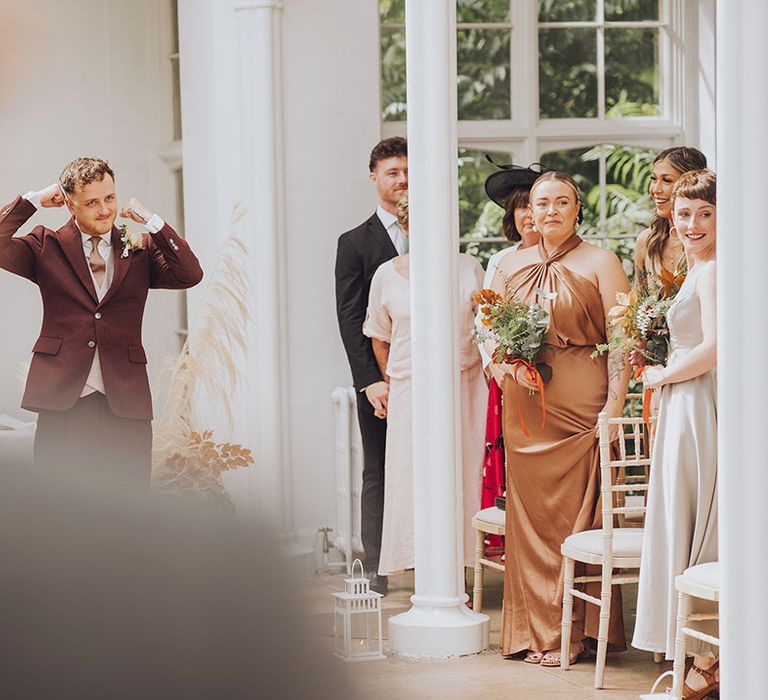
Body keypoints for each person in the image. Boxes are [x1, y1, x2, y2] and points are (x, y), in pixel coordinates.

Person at [488, 171, 631, 666]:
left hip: (581, 407)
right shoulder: (510, 264)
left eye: (561, 202)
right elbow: (490, 340)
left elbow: (622, 341)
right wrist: (505, 366)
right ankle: (537, 631)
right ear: (528, 210)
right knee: (529, 523)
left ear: (576, 209)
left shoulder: (601, 261)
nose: (550, 211)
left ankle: (578, 631)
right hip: (527, 412)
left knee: (578, 518)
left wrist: (613, 407)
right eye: (541, 203)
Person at [0, 157, 203, 489]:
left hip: (125, 399)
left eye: (110, 198)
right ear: (69, 205)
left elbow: (190, 274)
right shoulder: (44, 246)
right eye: (92, 202)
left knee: (128, 503)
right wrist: (34, 199)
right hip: (63, 398)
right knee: (61, 503)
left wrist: (152, 221)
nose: (105, 209)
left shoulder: (141, 248)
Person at [363, 193, 487, 578]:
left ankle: (462, 563)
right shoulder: (386, 274)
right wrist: (386, 381)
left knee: (463, 471)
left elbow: (487, 328)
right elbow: (378, 336)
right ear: (406, 227)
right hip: (409, 389)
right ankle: (420, 564)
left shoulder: (469, 268)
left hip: (464, 386)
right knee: (411, 475)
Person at [633, 169, 718, 700]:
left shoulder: (710, 272)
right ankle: (704, 659)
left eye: (705, 214)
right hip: (688, 398)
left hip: (694, 399)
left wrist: (662, 375)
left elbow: (716, 346)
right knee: (683, 518)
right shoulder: (699, 267)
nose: (692, 224)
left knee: (688, 517)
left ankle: (705, 660)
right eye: (684, 213)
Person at [335, 137, 408, 593]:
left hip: (426, 375)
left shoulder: (436, 235)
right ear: (374, 178)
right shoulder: (355, 243)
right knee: (378, 470)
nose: (402, 180)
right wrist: (370, 382)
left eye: (407, 171)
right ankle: (377, 568)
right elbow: (349, 317)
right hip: (379, 381)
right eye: (392, 173)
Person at [477, 164, 543, 525]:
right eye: (522, 206)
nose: (529, 215)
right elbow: (486, 320)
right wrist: (497, 366)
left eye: (536, 205)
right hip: (507, 375)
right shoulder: (500, 261)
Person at [634, 147, 707, 292]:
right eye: (654, 179)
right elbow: (637, 302)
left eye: (666, 180)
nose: (655, 189)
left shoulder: (707, 240)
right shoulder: (646, 241)